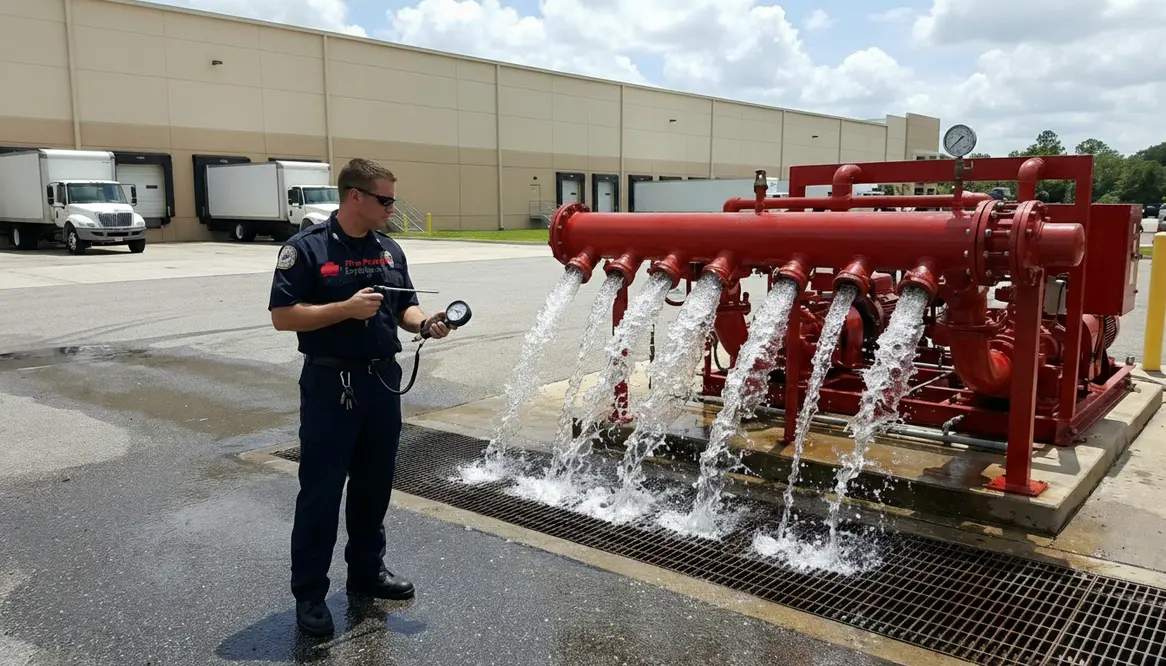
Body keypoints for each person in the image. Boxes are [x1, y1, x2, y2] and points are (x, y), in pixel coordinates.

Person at [267, 158, 451, 637]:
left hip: (381, 383)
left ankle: (367, 572)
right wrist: (344, 310)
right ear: (355, 197)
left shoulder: (388, 251)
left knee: (374, 487)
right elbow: (283, 316)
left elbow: (404, 306)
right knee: (322, 492)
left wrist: (425, 322)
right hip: (332, 385)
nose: (393, 207)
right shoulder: (306, 249)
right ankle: (309, 592)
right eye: (385, 199)